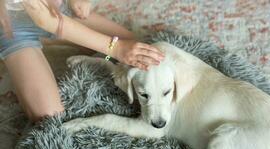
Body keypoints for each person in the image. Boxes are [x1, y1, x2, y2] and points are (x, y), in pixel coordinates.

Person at [0, 0, 165, 122]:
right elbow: (48, 21)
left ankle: (56, 38)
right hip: (13, 29)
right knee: (49, 116)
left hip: (56, 9)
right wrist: (115, 48)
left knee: (137, 44)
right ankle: (48, 40)